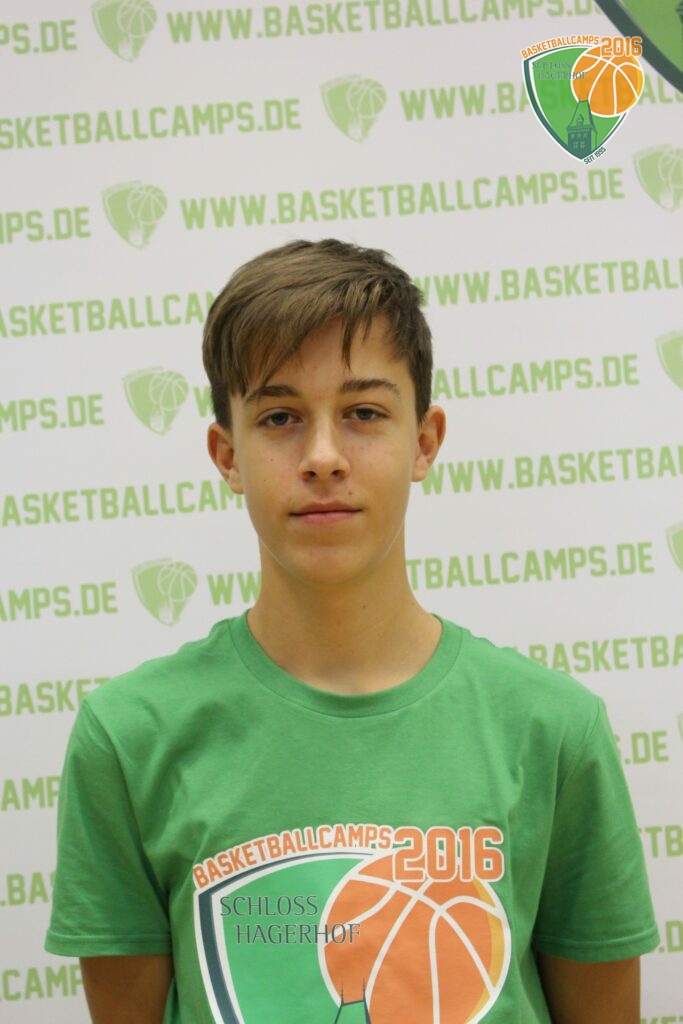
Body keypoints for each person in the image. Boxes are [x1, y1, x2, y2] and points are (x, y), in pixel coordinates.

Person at [46, 238, 659, 1023]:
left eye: (363, 413)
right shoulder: (129, 737)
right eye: (279, 418)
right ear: (226, 455)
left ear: (424, 442)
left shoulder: (552, 729)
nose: (323, 457)